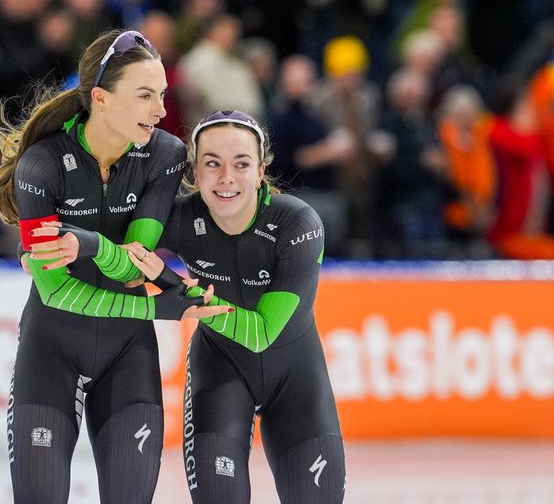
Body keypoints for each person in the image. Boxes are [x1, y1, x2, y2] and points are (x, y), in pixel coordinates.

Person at [32, 110, 347, 503]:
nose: (226, 178)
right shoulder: (181, 216)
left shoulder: (298, 224)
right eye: (212, 164)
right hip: (220, 376)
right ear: (194, 172)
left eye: (241, 164)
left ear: (262, 170)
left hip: (299, 383)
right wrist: (39, 243)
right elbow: (124, 257)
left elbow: (263, 333)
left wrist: (170, 281)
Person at [0, 30, 226, 504]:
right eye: (144, 96)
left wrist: (90, 245)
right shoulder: (41, 165)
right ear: (101, 98)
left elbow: (134, 269)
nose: (160, 111)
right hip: (50, 350)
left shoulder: (164, 155)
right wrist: (160, 307)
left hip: (126, 360)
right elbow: (55, 292)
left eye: (162, 95)